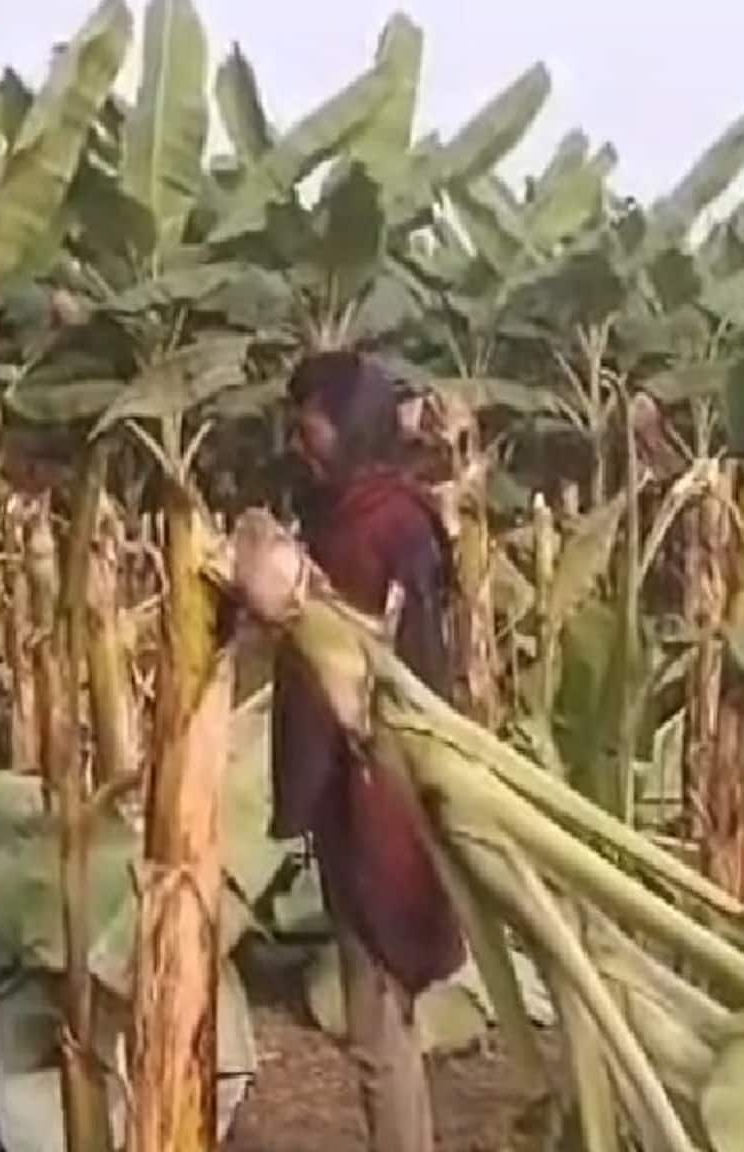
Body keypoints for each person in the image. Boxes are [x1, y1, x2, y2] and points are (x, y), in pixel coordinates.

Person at [272, 351, 464, 1152]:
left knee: (379, 1022)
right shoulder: (348, 510)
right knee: (386, 1026)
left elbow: (401, 664)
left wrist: (340, 763)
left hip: (380, 784)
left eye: (310, 419)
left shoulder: (381, 523)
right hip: (365, 779)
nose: (298, 438)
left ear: (348, 422)